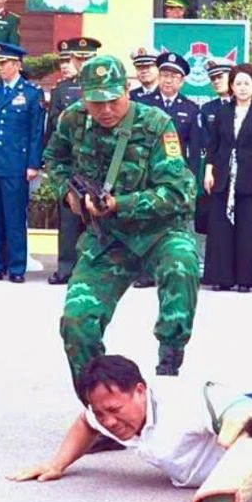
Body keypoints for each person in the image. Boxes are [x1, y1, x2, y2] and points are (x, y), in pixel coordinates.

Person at [41, 55, 199, 384]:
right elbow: (54, 159)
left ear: (127, 89)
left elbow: (178, 193)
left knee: (181, 264)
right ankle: (100, 402)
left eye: (114, 100)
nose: (107, 110)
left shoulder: (156, 124)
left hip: (160, 232)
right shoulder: (72, 120)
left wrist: (120, 204)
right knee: (76, 321)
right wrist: (66, 193)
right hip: (107, 237)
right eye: (97, 102)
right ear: (83, 96)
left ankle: (168, 369)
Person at [8, 354, 252, 488]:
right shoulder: (107, 412)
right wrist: (58, 464)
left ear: (139, 390)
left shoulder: (185, 403)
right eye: (102, 412)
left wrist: (227, 488)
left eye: (114, 411)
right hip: (235, 418)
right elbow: (86, 422)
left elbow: (243, 417)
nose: (109, 422)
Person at [0, 42, 44, 283]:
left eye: (4, 63)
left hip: (15, 162)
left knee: (14, 218)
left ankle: (16, 267)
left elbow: (35, 132)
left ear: (17, 64)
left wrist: (33, 164)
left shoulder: (31, 93)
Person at [202, 63, 252, 292]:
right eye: (238, 83)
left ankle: (245, 278)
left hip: (250, 175)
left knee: (247, 227)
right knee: (220, 227)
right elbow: (213, 145)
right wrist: (208, 170)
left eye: (247, 83)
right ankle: (222, 277)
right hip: (222, 174)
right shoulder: (222, 111)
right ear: (231, 85)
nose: (242, 88)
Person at [132, 51, 201, 289]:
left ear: (182, 81)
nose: (168, 80)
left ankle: (173, 271)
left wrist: (190, 180)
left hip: (175, 177)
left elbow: (195, 148)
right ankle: (146, 272)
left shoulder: (190, 109)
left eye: (174, 76)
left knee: (175, 225)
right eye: (165, 75)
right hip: (148, 173)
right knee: (148, 222)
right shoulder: (144, 105)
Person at [47, 37, 101, 285]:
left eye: (88, 58)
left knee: (98, 216)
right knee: (69, 216)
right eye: (79, 59)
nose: (83, 63)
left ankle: (95, 268)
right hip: (72, 159)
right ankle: (66, 268)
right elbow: (54, 126)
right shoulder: (62, 89)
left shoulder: (104, 87)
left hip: (100, 159)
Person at [195, 58, 233, 244]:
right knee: (215, 225)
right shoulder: (207, 109)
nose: (216, 81)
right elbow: (205, 144)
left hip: (238, 172)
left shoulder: (244, 105)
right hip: (215, 172)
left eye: (220, 76)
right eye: (213, 78)